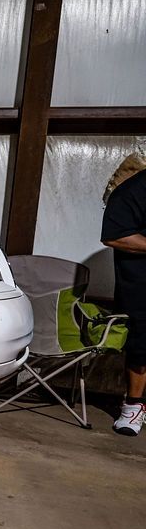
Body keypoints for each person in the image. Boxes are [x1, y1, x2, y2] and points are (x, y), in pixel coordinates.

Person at [101, 156, 146, 435]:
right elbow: (114, 236)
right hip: (141, 283)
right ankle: (133, 406)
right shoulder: (133, 190)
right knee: (142, 343)